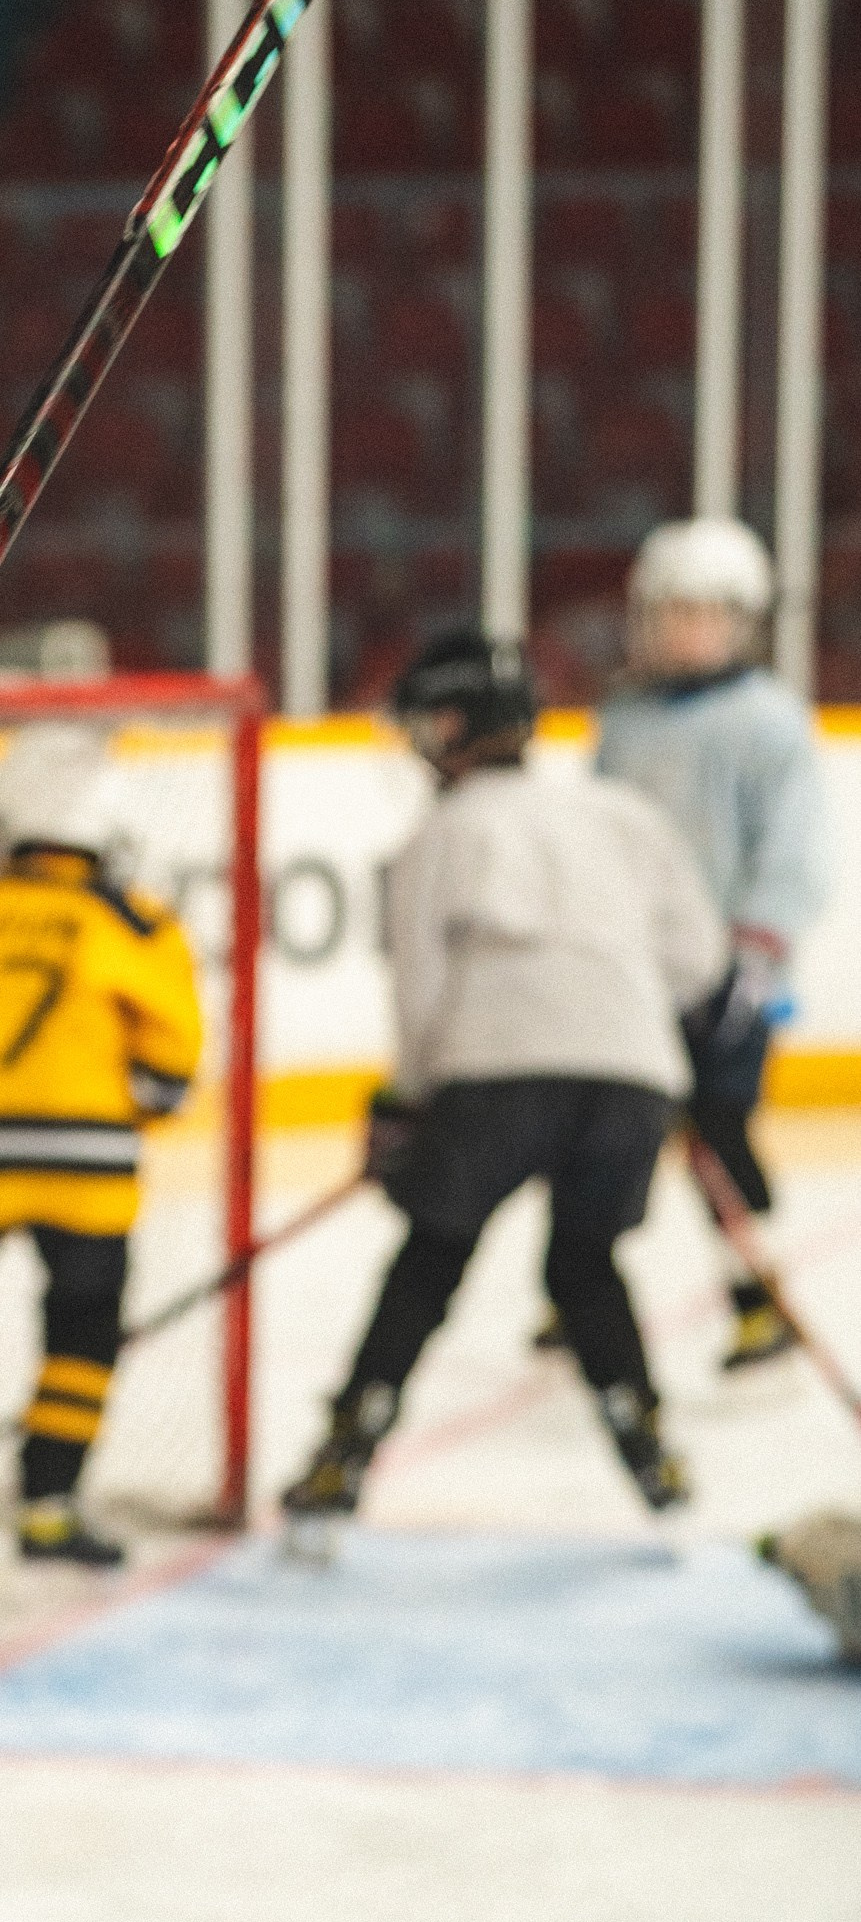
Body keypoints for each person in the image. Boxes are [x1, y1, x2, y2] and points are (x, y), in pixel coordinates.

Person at [281, 627, 726, 1541]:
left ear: (451, 725)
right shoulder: (619, 814)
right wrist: (622, 1033)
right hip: (630, 1076)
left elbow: (420, 988)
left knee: (431, 1258)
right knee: (584, 1265)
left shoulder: (442, 833)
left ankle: (346, 1449)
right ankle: (649, 1448)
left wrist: (404, 1102)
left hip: (494, 1073)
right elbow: (696, 960)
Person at [0, 721, 201, 1567]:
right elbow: (171, 1060)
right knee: (81, 1332)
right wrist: (139, 1100)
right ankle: (47, 1507)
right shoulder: (130, 923)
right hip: (84, 1163)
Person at [594, 516, 831, 1370]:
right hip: (633, 969)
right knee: (603, 1135)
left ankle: (752, 1294)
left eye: (705, 612)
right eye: (671, 610)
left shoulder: (768, 723)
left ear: (742, 620)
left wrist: (759, 951)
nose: (685, 629)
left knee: (719, 1137)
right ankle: (581, 1283)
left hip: (729, 972)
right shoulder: (624, 721)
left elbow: (792, 849)